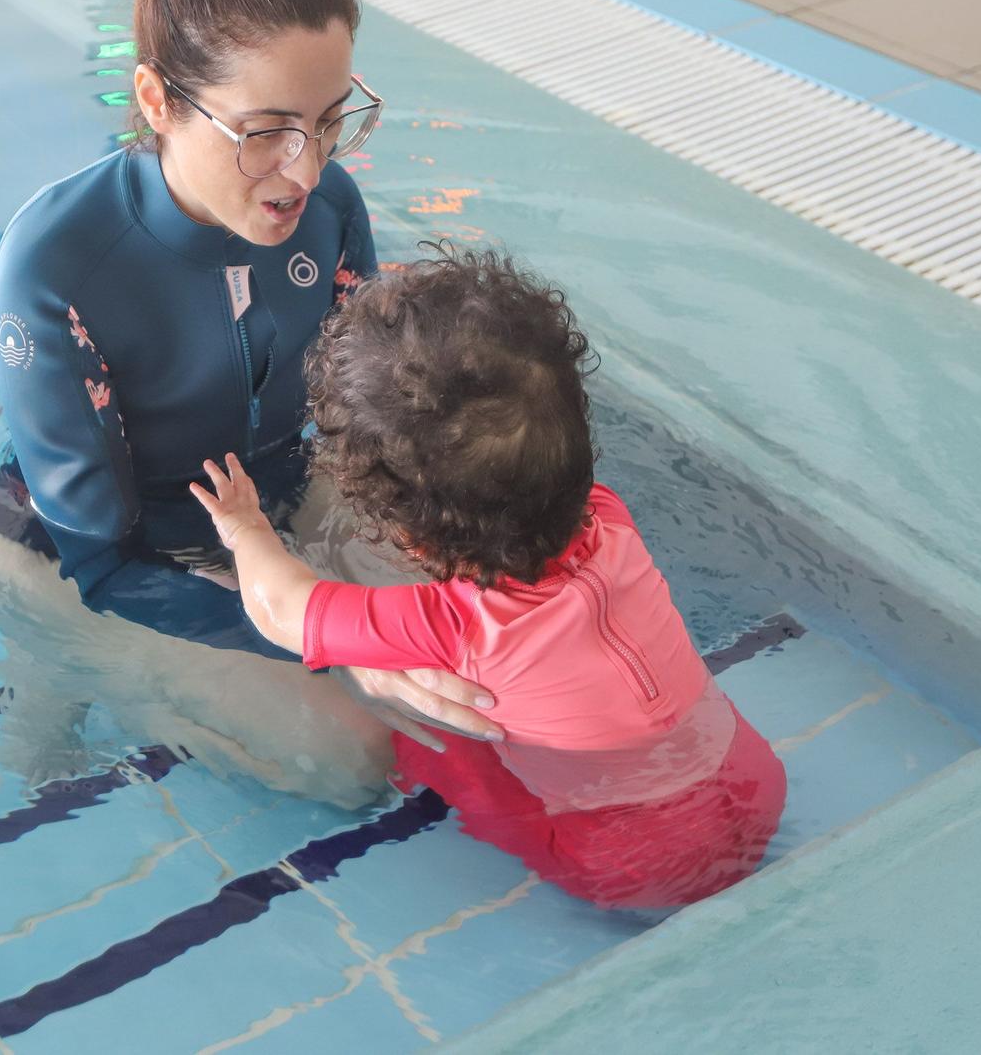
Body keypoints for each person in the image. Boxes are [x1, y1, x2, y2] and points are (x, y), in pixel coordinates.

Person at [0, 0, 498, 798]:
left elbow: (358, 426)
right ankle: (94, 672)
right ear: (156, 101)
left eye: (331, 120)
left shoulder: (326, 206)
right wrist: (336, 637)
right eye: (264, 133)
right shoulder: (55, 268)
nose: (306, 169)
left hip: (264, 498)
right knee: (352, 758)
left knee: (478, 656)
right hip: (78, 558)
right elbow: (105, 559)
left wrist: (385, 588)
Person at [191, 250, 787, 907]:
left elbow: (281, 608)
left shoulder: (456, 625)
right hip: (755, 784)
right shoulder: (612, 521)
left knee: (425, 736)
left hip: (626, 866)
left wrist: (245, 529)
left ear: (410, 537)